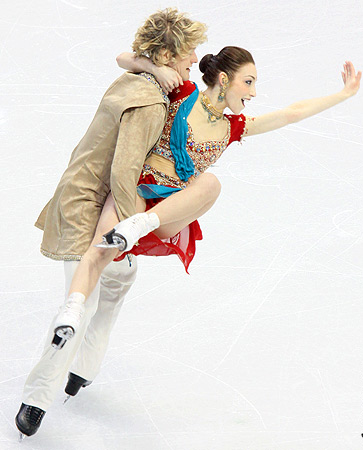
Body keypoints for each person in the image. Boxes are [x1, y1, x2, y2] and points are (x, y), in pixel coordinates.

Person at [52, 46, 362, 350]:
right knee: (100, 248)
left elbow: (290, 114)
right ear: (225, 80)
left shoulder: (233, 128)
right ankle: (72, 313)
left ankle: (137, 226)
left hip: (169, 212)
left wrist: (343, 95)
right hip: (138, 189)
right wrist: (157, 69)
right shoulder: (183, 93)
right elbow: (123, 58)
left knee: (210, 183)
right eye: (249, 82)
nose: (253, 93)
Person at [15, 8, 207, 439]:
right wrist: (133, 230)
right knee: (85, 297)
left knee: (120, 277)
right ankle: (37, 399)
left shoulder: (133, 80)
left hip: (77, 197)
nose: (194, 59)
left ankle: (81, 369)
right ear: (168, 54)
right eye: (188, 52)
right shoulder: (150, 101)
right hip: (90, 210)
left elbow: (126, 57)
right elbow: (124, 174)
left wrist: (146, 63)